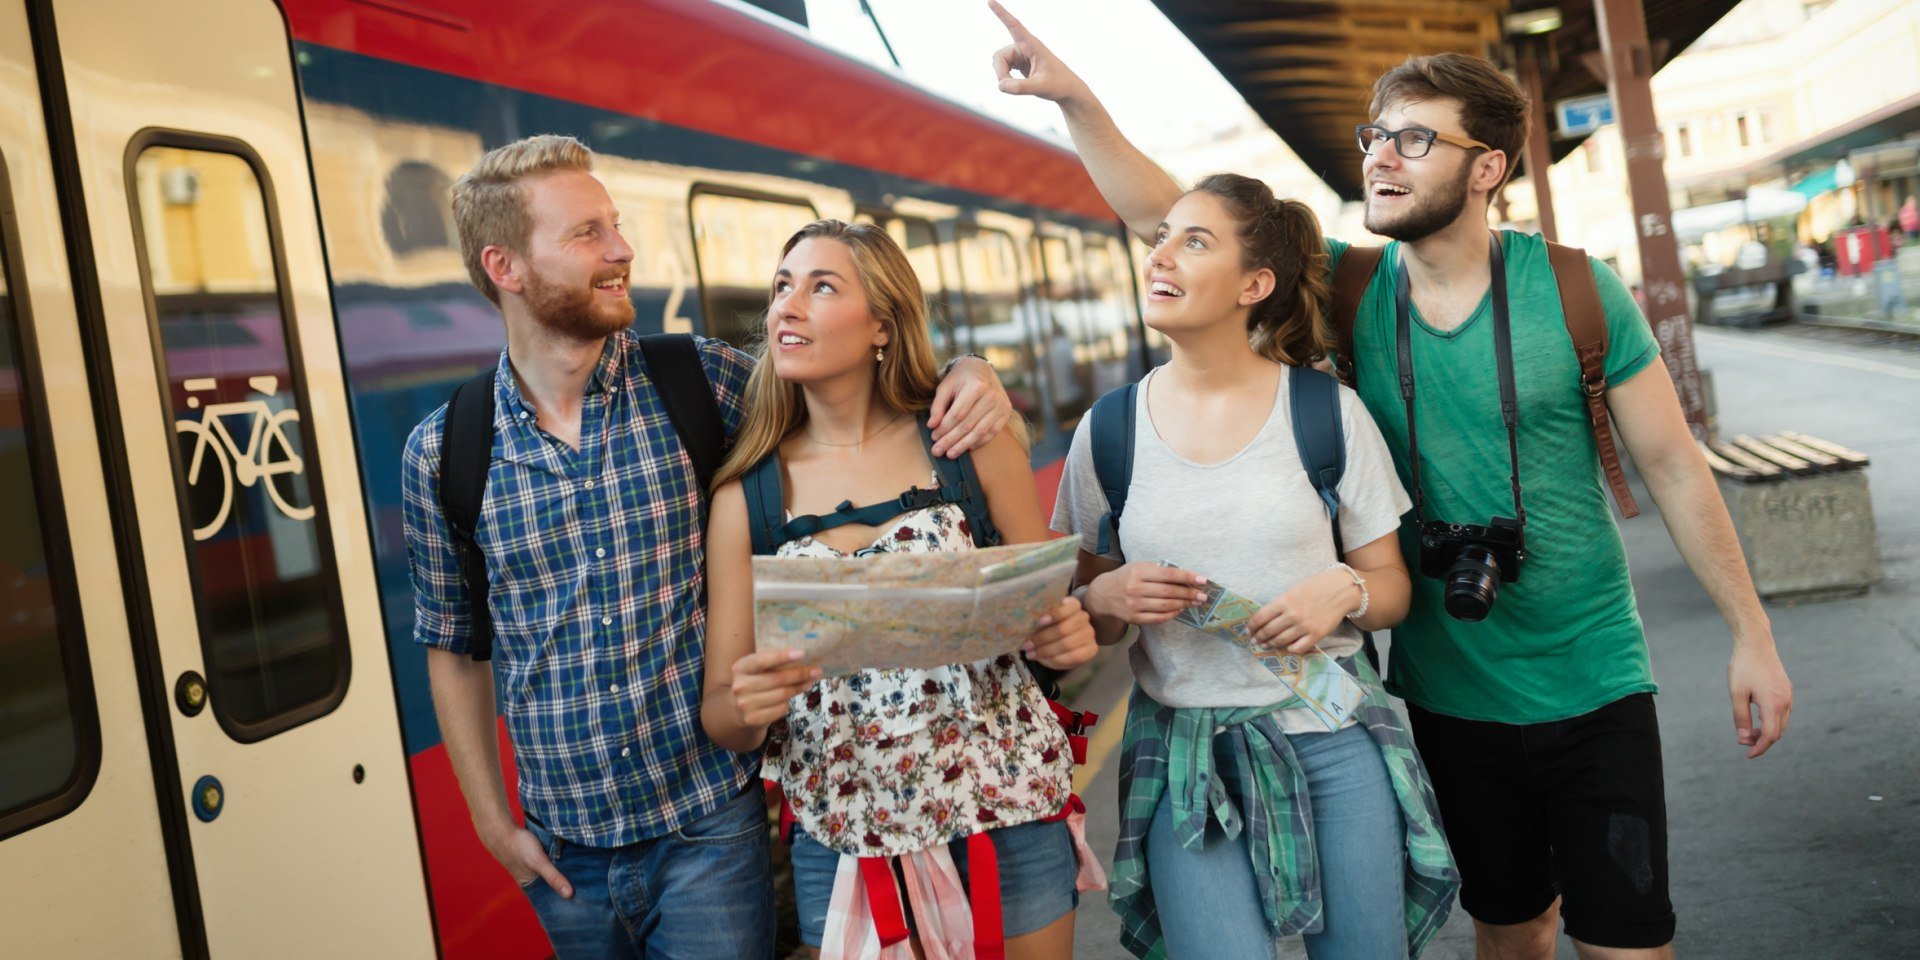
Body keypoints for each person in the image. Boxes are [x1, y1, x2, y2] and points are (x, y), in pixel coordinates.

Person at [988, 5, 1794, 959]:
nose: (1381, 156)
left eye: (1415, 138)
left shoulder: (1581, 289)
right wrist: (1075, 99)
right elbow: (1164, 212)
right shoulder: (1352, 290)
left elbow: (1672, 466)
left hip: (1595, 677)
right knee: (1515, 932)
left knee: (1627, 943)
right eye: (1377, 136)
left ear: (1487, 166)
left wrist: (1753, 634)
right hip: (1447, 690)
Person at [401, 136, 1014, 958]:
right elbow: (454, 645)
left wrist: (969, 369)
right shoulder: (446, 451)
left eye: (615, 226)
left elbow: (857, 400)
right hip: (563, 851)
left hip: (707, 833)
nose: (621, 250)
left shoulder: (707, 384)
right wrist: (490, 822)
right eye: (587, 234)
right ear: (505, 267)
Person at [1047, 168, 1459, 959]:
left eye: (1193, 241)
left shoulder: (1323, 412)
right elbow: (1084, 619)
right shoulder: (1108, 433)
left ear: (1255, 283)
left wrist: (1340, 591)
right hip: (1184, 757)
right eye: (1160, 237)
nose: (1160, 256)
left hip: (1335, 735)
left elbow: (1393, 590)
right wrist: (1108, 592)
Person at [700, 219, 1099, 959]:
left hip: (1008, 816)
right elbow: (724, 715)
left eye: (822, 287)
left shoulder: (969, 443)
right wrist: (747, 706)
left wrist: (1068, 629)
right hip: (847, 842)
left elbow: (1053, 611)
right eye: (782, 286)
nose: (787, 306)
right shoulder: (744, 499)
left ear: (882, 325)